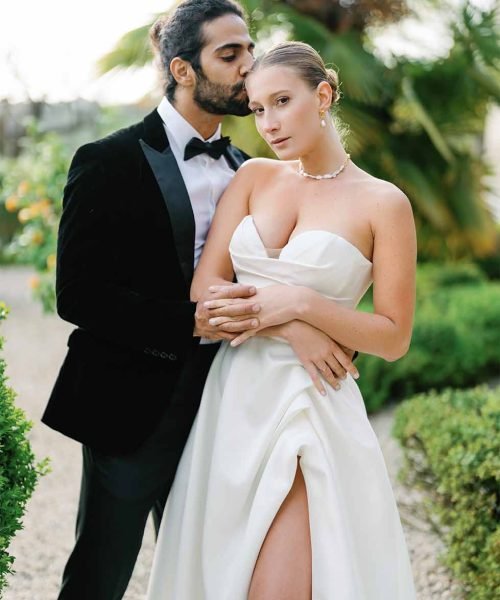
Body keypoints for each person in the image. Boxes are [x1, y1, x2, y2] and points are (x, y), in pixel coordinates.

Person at [42, 2, 356, 598]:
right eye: (229, 54)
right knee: (100, 572)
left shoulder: (251, 169)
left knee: (207, 572)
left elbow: (265, 282)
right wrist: (188, 322)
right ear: (183, 70)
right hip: (131, 400)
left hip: (230, 400)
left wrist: (294, 325)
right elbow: (78, 294)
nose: (248, 67)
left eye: (249, 49)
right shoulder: (107, 160)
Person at [146, 41, 417, 599]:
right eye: (258, 107)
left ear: (322, 96)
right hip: (234, 397)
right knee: (223, 573)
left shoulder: (383, 204)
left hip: (310, 400)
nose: (267, 122)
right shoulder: (253, 179)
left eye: (282, 101)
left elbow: (393, 336)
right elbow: (206, 290)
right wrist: (289, 322)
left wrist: (304, 304)